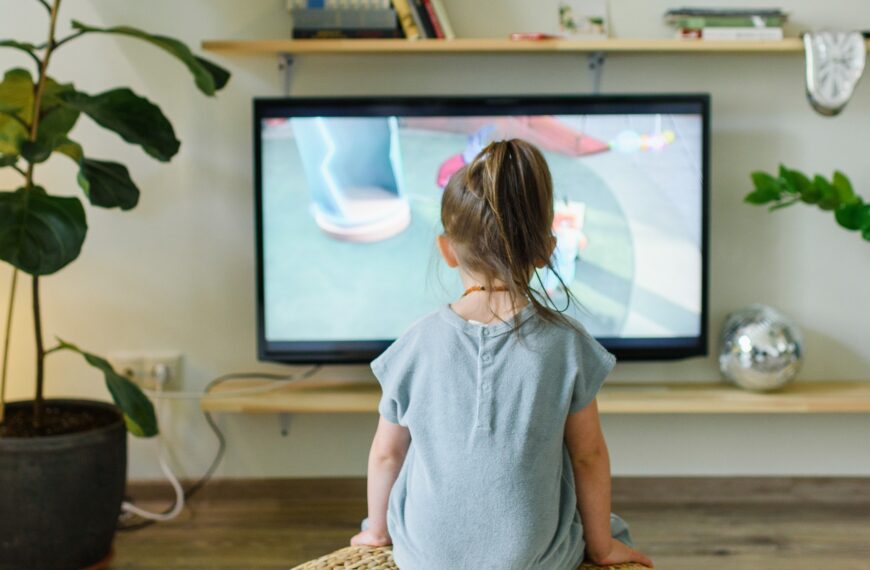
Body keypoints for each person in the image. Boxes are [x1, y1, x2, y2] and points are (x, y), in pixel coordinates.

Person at [350, 139, 653, 569]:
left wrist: (376, 531)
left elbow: (386, 453)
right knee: (607, 521)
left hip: (426, 557)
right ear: (548, 250)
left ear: (447, 250)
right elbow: (588, 456)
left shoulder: (414, 343)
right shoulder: (566, 344)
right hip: (532, 559)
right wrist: (602, 549)